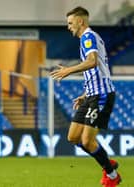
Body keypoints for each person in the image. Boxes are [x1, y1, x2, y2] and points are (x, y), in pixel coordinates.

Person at [50, 6, 121, 187]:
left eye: (70, 23)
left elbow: (92, 62)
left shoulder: (88, 37)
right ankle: (106, 161)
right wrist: (84, 94)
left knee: (87, 140)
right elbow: (97, 69)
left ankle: (112, 175)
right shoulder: (89, 38)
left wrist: (68, 70)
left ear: (80, 21)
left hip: (101, 94)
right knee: (73, 137)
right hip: (91, 94)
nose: (69, 27)